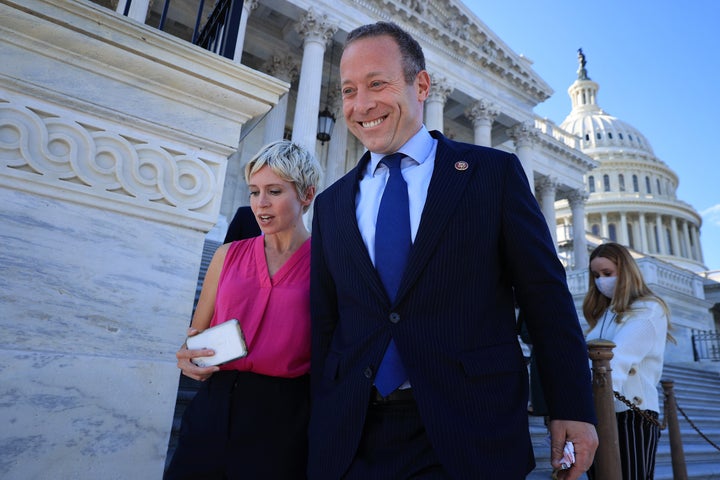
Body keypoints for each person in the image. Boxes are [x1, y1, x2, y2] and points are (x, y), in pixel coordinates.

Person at [308, 21, 598, 480]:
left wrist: (571, 406)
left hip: (470, 430)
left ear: (421, 85)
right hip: (354, 436)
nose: (361, 104)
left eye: (377, 84)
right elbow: (324, 323)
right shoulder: (331, 204)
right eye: (348, 90)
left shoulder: (492, 174)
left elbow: (545, 297)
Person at [164, 140, 321, 480]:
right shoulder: (226, 255)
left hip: (285, 416)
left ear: (307, 195)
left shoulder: (328, 264)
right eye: (254, 191)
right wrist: (188, 357)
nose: (260, 204)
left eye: (274, 191)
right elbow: (195, 336)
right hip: (214, 406)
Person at [583, 242, 674, 480]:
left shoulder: (649, 308)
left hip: (631, 413)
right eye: (595, 275)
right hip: (599, 409)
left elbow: (618, 359)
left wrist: (588, 408)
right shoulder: (606, 312)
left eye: (607, 274)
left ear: (625, 272)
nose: (601, 281)